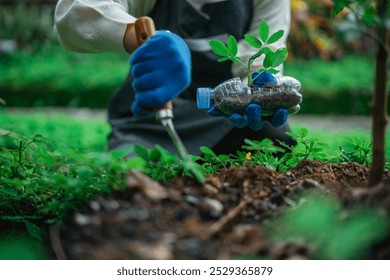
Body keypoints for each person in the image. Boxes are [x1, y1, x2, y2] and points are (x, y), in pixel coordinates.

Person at [54, 0, 297, 156]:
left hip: (226, 117)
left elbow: (262, 59)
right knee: (131, 164)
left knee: (275, 140)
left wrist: (259, 91)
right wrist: (140, 36)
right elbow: (75, 12)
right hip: (152, 118)